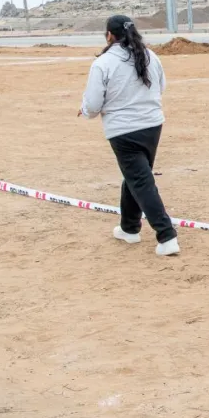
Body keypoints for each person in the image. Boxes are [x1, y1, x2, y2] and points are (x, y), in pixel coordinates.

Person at [78, 15, 179, 256]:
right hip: (152, 125)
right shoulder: (150, 55)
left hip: (123, 130)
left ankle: (166, 236)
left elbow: (93, 104)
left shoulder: (103, 63)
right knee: (135, 176)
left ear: (109, 35)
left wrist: (85, 110)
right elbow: (161, 87)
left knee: (141, 181)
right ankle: (129, 228)